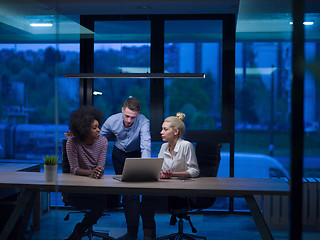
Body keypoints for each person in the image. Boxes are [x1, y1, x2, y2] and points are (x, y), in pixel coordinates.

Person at [140, 112, 200, 240]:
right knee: (146, 201)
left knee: (148, 201)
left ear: (176, 131)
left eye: (165, 129)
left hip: (183, 193)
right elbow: (160, 168)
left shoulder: (186, 146)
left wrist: (172, 174)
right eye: (162, 129)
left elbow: (194, 171)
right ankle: (148, 236)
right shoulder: (163, 147)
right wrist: (159, 173)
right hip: (166, 190)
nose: (161, 132)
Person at [100, 97, 151, 240]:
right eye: (127, 116)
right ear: (122, 110)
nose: (129, 120)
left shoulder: (144, 122)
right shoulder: (112, 120)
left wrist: (145, 167)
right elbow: (99, 140)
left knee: (133, 194)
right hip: (118, 154)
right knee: (128, 194)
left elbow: (145, 145)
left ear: (138, 114)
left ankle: (133, 233)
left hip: (135, 155)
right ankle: (132, 233)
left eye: (133, 117)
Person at [64, 105, 117, 240]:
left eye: (98, 126)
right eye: (94, 128)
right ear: (84, 129)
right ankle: (81, 230)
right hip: (78, 185)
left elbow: (101, 165)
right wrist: (90, 172)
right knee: (99, 204)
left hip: (97, 183)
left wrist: (98, 171)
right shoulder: (72, 142)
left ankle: (80, 230)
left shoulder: (103, 141)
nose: (99, 130)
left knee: (103, 202)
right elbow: (74, 169)